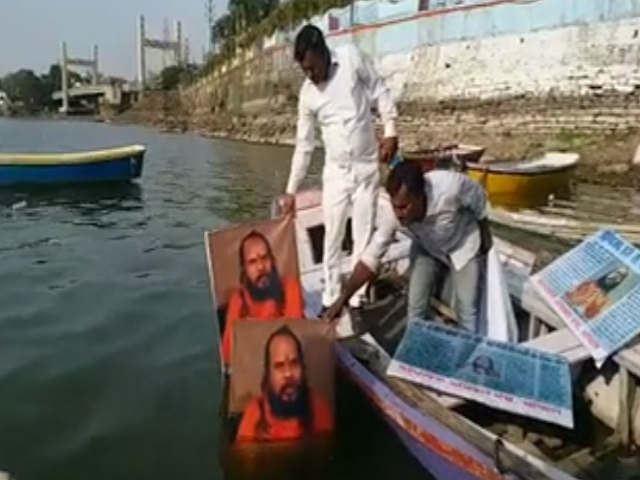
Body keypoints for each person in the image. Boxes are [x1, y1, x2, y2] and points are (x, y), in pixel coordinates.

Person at [279, 24, 399, 313]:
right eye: (303, 70)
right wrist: (290, 191)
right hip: (336, 171)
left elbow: (380, 91)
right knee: (331, 236)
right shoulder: (307, 95)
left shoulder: (351, 59)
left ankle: (357, 299)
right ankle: (331, 298)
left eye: (311, 67)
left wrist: (391, 131)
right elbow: (304, 145)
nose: (310, 75)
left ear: (323, 53)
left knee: (362, 233)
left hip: (366, 166)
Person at [324, 161, 492, 333]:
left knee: (467, 311)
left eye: (404, 207)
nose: (398, 214)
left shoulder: (451, 187)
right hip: (427, 247)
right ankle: (417, 349)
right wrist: (342, 300)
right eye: (395, 206)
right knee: (415, 308)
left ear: (420, 197)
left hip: (462, 245)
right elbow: (370, 259)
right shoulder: (394, 214)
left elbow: (479, 199)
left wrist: (485, 235)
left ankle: (469, 354)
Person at [236, 325, 333, 442]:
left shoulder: (319, 410)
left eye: (294, 363)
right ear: (268, 375)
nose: (288, 374)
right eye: (279, 366)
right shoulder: (254, 417)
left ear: (303, 368)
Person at [222, 230, 304, 366]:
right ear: (245, 270)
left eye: (265, 258)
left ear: (272, 261)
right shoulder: (239, 300)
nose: (261, 267)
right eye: (252, 262)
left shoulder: (290, 287)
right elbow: (228, 356)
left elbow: (293, 337)